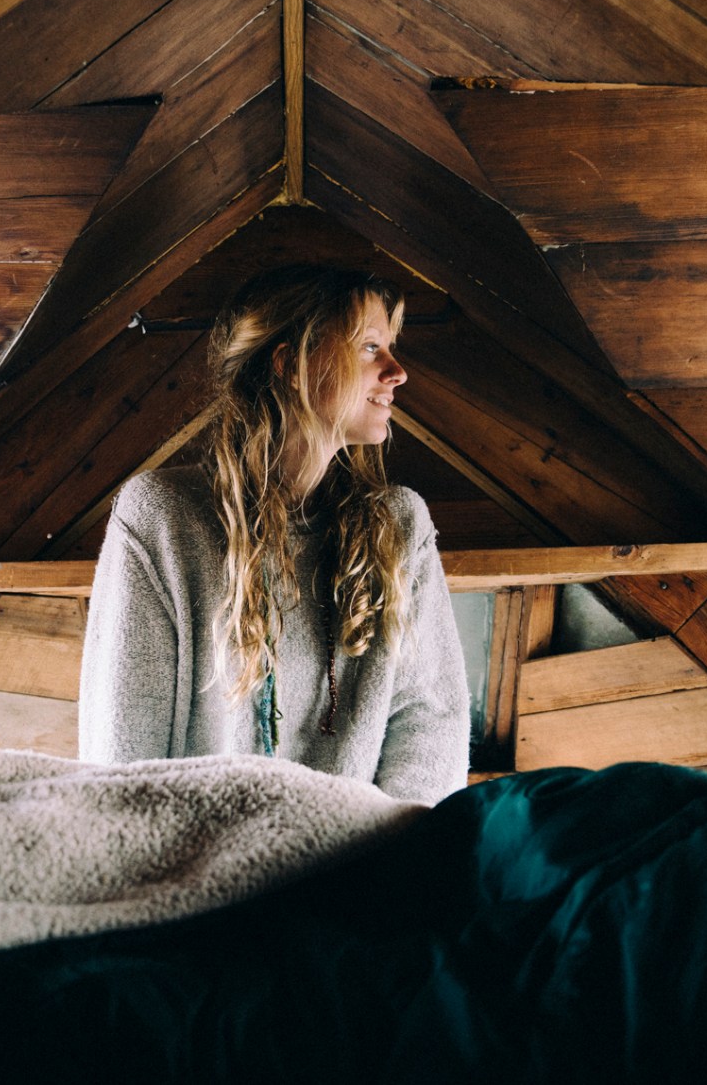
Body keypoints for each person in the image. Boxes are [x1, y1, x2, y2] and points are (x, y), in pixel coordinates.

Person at [77, 265, 470, 803]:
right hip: (202, 871)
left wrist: (390, 870)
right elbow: (122, 745)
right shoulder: (161, 518)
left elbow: (430, 724)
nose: (396, 371)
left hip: (361, 869)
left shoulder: (401, 525)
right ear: (292, 364)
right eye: (370, 347)